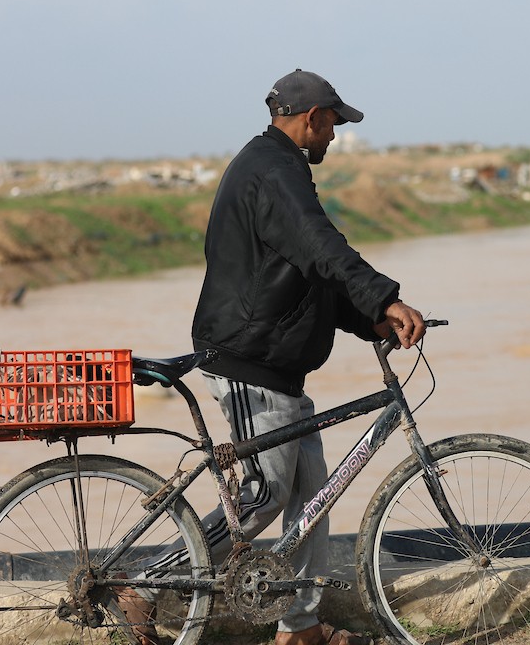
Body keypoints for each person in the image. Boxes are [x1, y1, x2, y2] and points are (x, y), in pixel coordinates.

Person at [120, 69, 426, 645]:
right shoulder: (275, 169)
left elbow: (309, 277)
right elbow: (320, 245)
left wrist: (372, 318)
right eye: (333, 124)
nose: (334, 136)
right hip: (246, 358)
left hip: (275, 362)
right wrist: (385, 295)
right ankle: (147, 584)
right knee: (264, 494)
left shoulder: (275, 167)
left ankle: (301, 629)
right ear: (312, 118)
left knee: (312, 496)